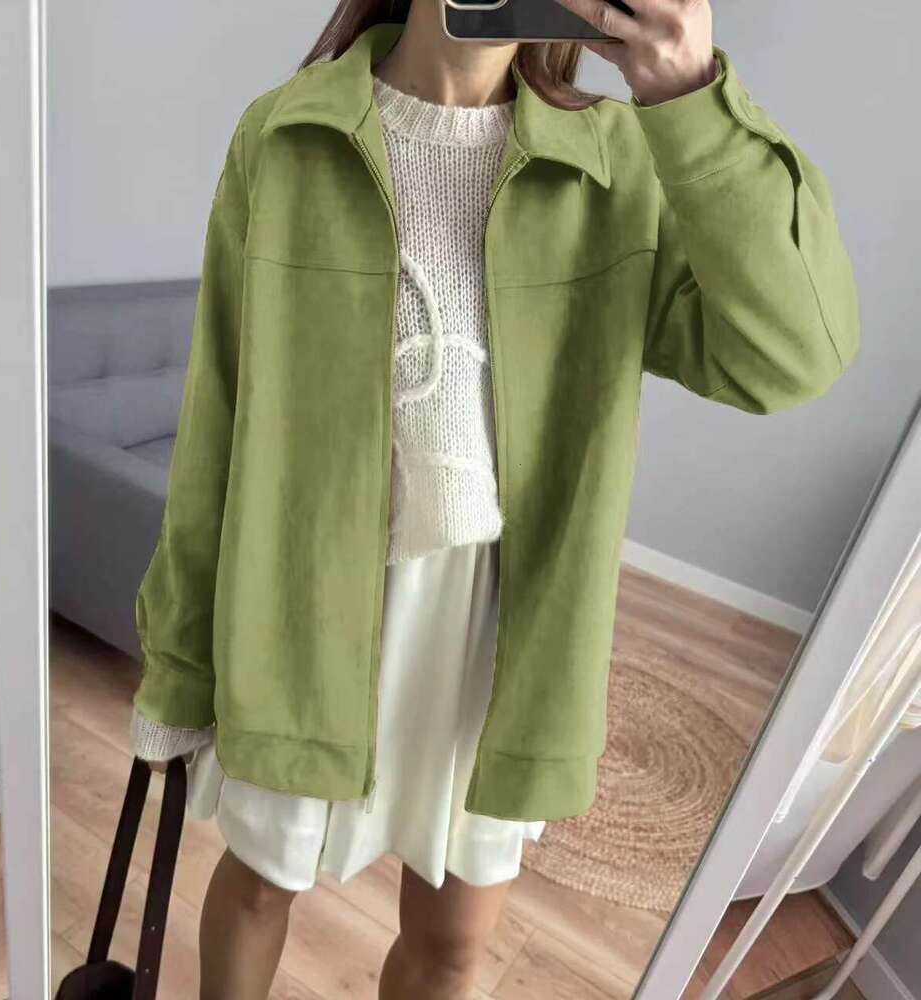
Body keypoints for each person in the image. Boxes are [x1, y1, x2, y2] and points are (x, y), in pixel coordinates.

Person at [129, 1, 861, 997]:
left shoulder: (614, 162)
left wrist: (689, 97)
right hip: (301, 605)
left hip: (500, 630)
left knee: (454, 940)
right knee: (260, 885)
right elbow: (216, 416)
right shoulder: (286, 136)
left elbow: (790, 355)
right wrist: (178, 672)